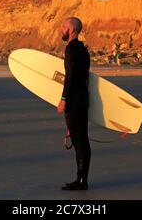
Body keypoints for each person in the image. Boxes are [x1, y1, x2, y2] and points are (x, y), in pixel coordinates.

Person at [57, 17, 91, 191]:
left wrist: (63, 99)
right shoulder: (83, 50)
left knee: (79, 141)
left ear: (71, 30)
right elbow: (85, 77)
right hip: (83, 99)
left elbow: (70, 76)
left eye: (63, 27)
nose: (60, 29)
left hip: (74, 101)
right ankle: (82, 179)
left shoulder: (70, 49)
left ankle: (81, 181)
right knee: (82, 140)